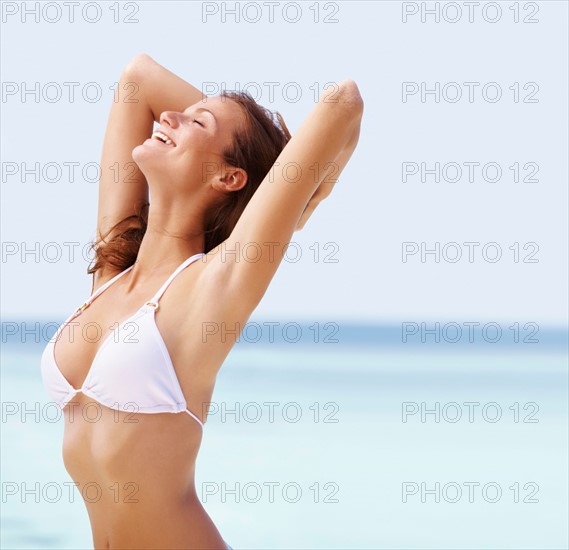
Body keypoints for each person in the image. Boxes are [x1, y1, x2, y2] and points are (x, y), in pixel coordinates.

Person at [41, 53, 363, 549]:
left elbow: (343, 101)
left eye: (197, 121)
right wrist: (259, 174)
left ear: (229, 178)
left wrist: (295, 199)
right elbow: (137, 79)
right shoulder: (112, 270)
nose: (168, 116)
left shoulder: (215, 286)